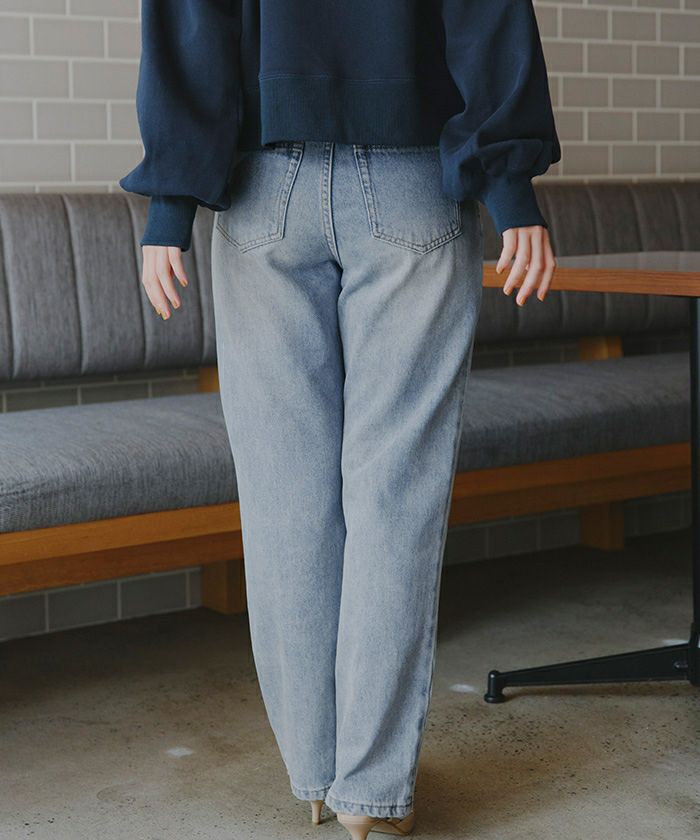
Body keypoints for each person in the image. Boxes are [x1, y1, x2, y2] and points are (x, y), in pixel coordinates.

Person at [119, 2, 560, 837]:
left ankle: (317, 775)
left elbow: (191, 18)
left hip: (262, 188)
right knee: (395, 493)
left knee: (285, 497)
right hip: (412, 180)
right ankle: (371, 793)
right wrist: (509, 186)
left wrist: (171, 204)